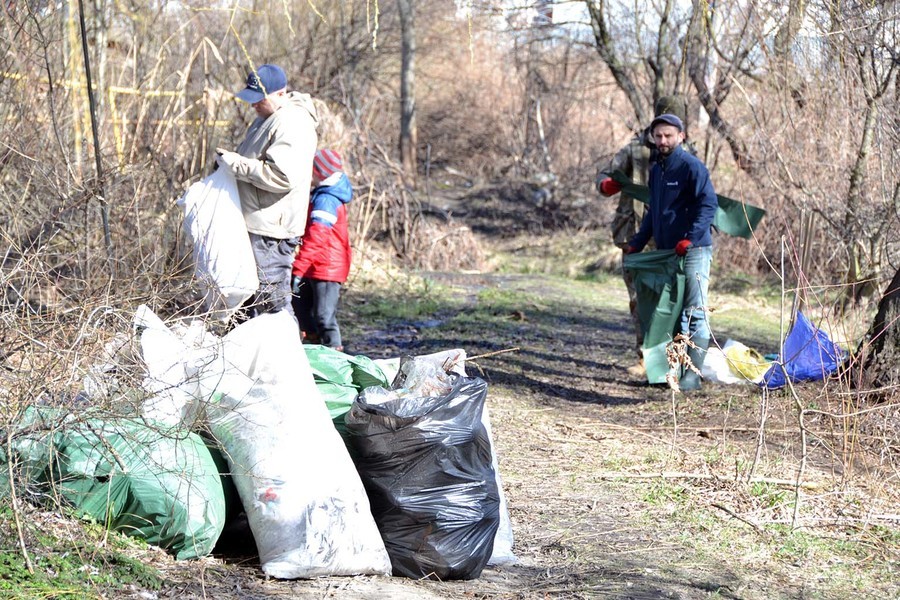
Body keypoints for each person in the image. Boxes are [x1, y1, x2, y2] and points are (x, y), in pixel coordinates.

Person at [215, 64, 318, 321]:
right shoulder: (269, 117)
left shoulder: (292, 122)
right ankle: (259, 357)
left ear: (281, 93)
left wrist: (236, 164)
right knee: (254, 301)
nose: (254, 105)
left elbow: (282, 175)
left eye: (259, 99)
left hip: (272, 231)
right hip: (260, 224)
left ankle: (288, 357)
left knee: (272, 305)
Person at [624, 113, 718, 391]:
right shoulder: (657, 170)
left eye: (668, 135)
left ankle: (691, 379)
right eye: (659, 136)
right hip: (667, 254)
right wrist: (638, 242)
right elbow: (655, 212)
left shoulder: (692, 167)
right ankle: (670, 375)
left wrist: (689, 238)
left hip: (694, 251)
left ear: (681, 136)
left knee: (695, 313)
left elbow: (708, 205)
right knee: (672, 314)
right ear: (653, 138)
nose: (663, 141)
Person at [596, 96, 690, 376]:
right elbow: (603, 177)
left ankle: (673, 362)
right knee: (639, 299)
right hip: (634, 235)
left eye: (670, 131)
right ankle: (645, 358)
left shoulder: (688, 158)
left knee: (672, 299)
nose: (663, 138)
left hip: (673, 240)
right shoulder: (634, 152)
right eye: (659, 130)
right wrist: (607, 184)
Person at [291, 149, 352, 351]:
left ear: (319, 173)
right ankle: (313, 350)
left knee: (324, 317)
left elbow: (317, 237)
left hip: (327, 267)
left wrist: (298, 268)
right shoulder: (322, 194)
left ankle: (335, 358)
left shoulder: (326, 199)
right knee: (301, 307)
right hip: (317, 264)